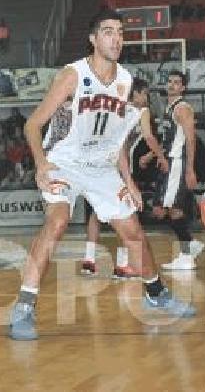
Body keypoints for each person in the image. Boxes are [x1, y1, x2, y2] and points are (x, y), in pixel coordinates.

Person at [8, 8, 196, 341]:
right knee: (58, 221)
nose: (116, 38)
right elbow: (32, 124)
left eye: (121, 33)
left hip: (100, 167)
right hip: (63, 161)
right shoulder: (72, 75)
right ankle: (23, 307)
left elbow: (118, 139)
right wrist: (41, 165)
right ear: (94, 39)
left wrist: (129, 182)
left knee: (133, 232)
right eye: (108, 32)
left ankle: (156, 294)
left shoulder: (125, 82)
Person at [79, 77, 170, 280]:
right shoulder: (140, 111)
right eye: (144, 93)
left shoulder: (114, 109)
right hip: (117, 167)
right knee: (126, 214)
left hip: (96, 166)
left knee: (96, 213)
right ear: (135, 93)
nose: (146, 97)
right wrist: (160, 156)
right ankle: (122, 265)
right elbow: (148, 137)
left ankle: (89, 260)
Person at [151, 70, 205, 270]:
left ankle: (186, 255)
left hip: (178, 163)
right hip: (169, 162)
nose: (172, 85)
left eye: (176, 82)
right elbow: (168, 139)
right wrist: (153, 155)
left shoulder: (182, 108)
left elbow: (191, 139)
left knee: (173, 209)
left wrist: (190, 169)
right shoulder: (169, 107)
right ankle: (190, 244)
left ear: (183, 88)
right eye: (170, 81)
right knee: (162, 210)